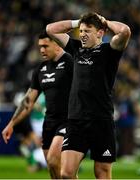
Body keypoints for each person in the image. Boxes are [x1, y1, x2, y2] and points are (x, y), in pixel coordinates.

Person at [46, 12, 131, 179]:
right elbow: (50, 29)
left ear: (100, 33)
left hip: (101, 120)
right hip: (76, 121)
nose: (83, 35)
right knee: (66, 174)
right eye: (81, 31)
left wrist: (105, 21)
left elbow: (125, 31)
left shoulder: (110, 50)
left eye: (87, 31)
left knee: (102, 174)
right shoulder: (76, 48)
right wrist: (77, 22)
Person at [2, 31, 73, 179]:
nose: (41, 50)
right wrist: (12, 123)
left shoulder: (71, 62)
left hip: (68, 120)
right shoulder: (40, 69)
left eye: (45, 46)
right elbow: (28, 101)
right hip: (49, 123)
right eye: (40, 46)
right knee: (54, 170)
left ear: (57, 44)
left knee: (54, 160)